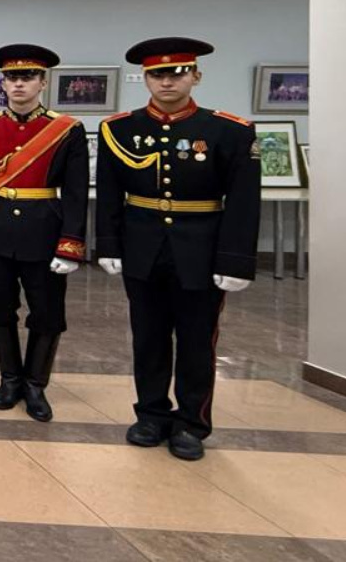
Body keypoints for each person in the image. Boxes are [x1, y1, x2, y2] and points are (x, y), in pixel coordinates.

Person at [95, 38, 259, 461]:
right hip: (142, 246)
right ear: (145, 79)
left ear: (195, 76)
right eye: (157, 74)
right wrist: (108, 244)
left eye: (177, 73)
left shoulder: (230, 131)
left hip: (201, 249)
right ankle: (150, 414)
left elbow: (243, 202)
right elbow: (109, 193)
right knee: (147, 337)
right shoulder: (119, 129)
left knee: (196, 341)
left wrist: (236, 260)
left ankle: (191, 422)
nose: (166, 81)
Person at [0, 44, 88, 422]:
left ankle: (35, 384)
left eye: (27, 77)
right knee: (0, 307)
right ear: (2, 83)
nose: (18, 84)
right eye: (12, 77)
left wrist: (70, 243)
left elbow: (76, 192)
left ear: (43, 82)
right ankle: (10, 379)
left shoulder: (66, 129)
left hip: (44, 232)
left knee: (47, 312)